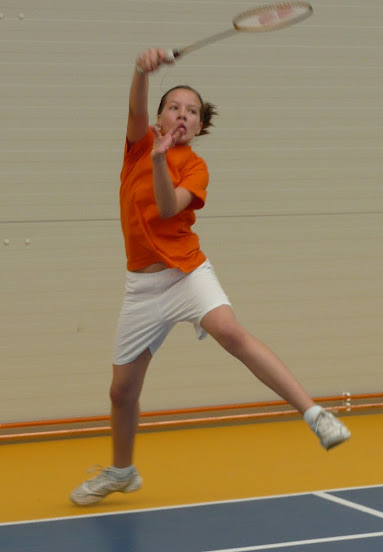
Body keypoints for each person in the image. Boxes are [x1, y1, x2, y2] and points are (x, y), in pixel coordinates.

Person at [70, 48, 350, 506]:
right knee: (122, 391)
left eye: (192, 111)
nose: (182, 114)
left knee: (228, 330)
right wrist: (141, 69)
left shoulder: (195, 167)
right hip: (142, 287)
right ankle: (121, 471)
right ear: (158, 118)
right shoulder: (138, 145)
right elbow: (134, 106)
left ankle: (315, 414)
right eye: (173, 107)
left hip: (186, 274)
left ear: (200, 126)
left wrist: (161, 161)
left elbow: (166, 208)